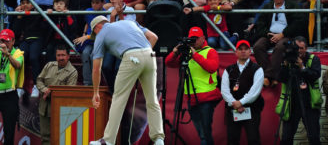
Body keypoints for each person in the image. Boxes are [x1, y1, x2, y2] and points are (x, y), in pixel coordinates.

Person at [89, 16, 165, 145]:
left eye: (94, 33)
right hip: (150, 56)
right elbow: (153, 37)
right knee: (152, 99)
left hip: (131, 58)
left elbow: (96, 68)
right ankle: (158, 138)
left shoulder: (101, 34)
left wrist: (95, 92)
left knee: (118, 99)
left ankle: (108, 141)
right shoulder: (129, 22)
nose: (95, 36)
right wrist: (143, 58)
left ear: (97, 27)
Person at [165, 26, 221, 145]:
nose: (194, 42)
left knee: (205, 134)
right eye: (191, 39)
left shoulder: (210, 51)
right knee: (202, 134)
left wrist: (195, 55)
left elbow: (212, 68)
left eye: (196, 39)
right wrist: (175, 52)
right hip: (191, 98)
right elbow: (169, 63)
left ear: (203, 38)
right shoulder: (188, 53)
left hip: (207, 98)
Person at [253, 0, 304, 87]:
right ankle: (274, 76)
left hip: (286, 35)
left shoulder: (292, 5)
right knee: (257, 46)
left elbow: (298, 23)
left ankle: (267, 77)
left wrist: (283, 34)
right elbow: (260, 24)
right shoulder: (267, 6)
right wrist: (268, 34)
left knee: (281, 47)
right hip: (270, 35)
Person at [275, 36, 322, 145]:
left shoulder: (313, 59)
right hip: (292, 104)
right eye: (296, 48)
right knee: (286, 138)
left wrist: (302, 67)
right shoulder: (288, 59)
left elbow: (315, 75)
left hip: (309, 105)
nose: (299, 51)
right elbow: (280, 78)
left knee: (314, 137)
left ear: (306, 48)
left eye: (301, 48)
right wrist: (285, 65)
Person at [221, 40, 264, 145]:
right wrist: (235, 103)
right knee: (232, 140)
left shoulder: (257, 69)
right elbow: (224, 91)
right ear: (236, 52)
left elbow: (255, 91)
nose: (243, 51)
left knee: (253, 140)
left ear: (250, 51)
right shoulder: (229, 70)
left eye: (246, 49)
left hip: (252, 109)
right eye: (240, 49)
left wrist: (241, 102)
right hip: (233, 109)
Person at [37, 46, 78, 145]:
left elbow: (69, 93)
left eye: (63, 55)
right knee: (45, 137)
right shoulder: (49, 65)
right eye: (58, 55)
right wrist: (44, 89)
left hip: (60, 110)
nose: (60, 58)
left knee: (60, 138)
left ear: (68, 56)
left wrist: (52, 92)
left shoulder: (73, 72)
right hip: (44, 109)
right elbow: (39, 80)